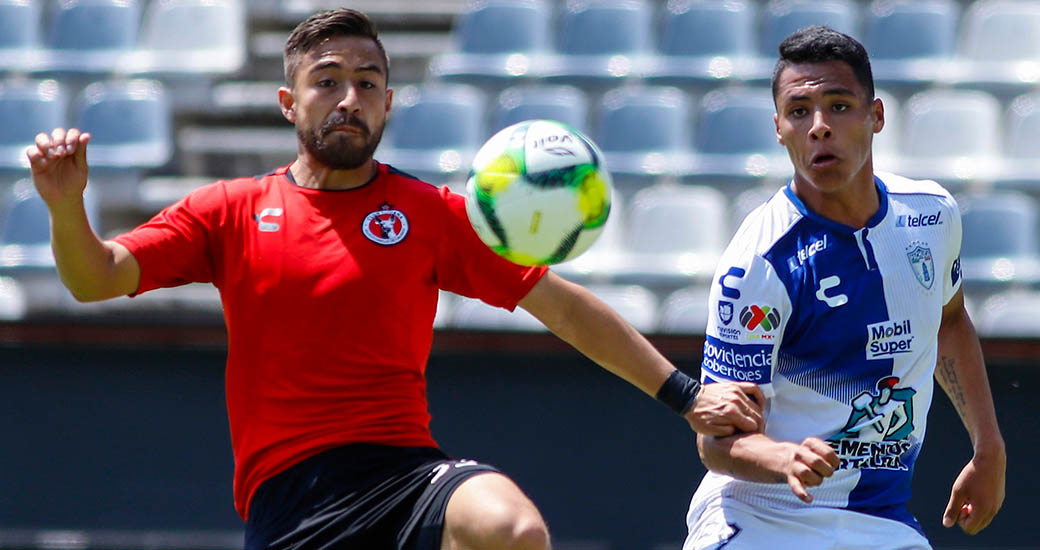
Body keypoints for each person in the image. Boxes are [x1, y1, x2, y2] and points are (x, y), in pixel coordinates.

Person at [27, 8, 765, 550]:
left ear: (388, 103)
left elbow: (564, 309)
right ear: (290, 103)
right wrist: (67, 208)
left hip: (407, 475)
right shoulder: (232, 211)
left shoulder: (429, 213)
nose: (349, 98)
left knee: (513, 529)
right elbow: (96, 280)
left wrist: (686, 395)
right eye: (328, 82)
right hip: (291, 503)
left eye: (367, 82)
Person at [683, 26, 1006, 550]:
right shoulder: (759, 264)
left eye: (838, 106)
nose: (818, 127)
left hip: (880, 517)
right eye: (799, 111)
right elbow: (717, 444)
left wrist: (988, 448)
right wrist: (783, 457)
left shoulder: (931, 214)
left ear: (875, 116)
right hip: (762, 516)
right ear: (779, 129)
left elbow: (948, 320)